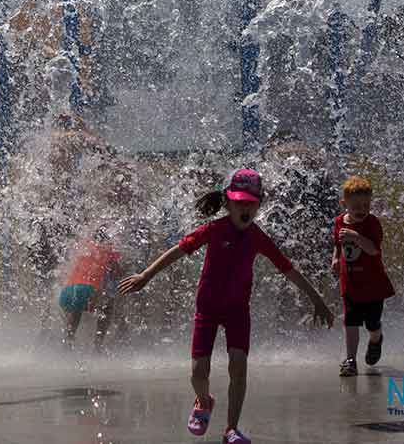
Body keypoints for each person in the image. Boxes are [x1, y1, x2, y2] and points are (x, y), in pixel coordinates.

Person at [120, 167, 334, 444]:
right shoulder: (213, 230)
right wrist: (145, 275)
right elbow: (178, 251)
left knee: (239, 365)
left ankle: (231, 429)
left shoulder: (258, 238)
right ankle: (204, 401)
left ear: (259, 204)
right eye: (239, 203)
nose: (245, 208)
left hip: (237, 312)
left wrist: (316, 300)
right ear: (228, 203)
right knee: (198, 372)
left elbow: (289, 270)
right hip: (207, 310)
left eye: (250, 203)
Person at [332, 175, 395, 377]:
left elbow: (374, 250)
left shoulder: (372, 224)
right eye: (356, 205)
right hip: (350, 283)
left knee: (372, 324)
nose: (362, 209)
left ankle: (376, 339)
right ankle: (350, 360)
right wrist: (335, 258)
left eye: (366, 205)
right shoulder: (339, 222)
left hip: (373, 285)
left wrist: (356, 237)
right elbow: (338, 243)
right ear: (344, 204)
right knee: (350, 322)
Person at [59, 226, 121, 350]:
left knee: (76, 310)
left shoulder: (82, 247)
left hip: (65, 294)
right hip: (88, 291)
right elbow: (116, 271)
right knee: (108, 306)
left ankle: (67, 342)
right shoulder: (109, 249)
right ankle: (98, 345)